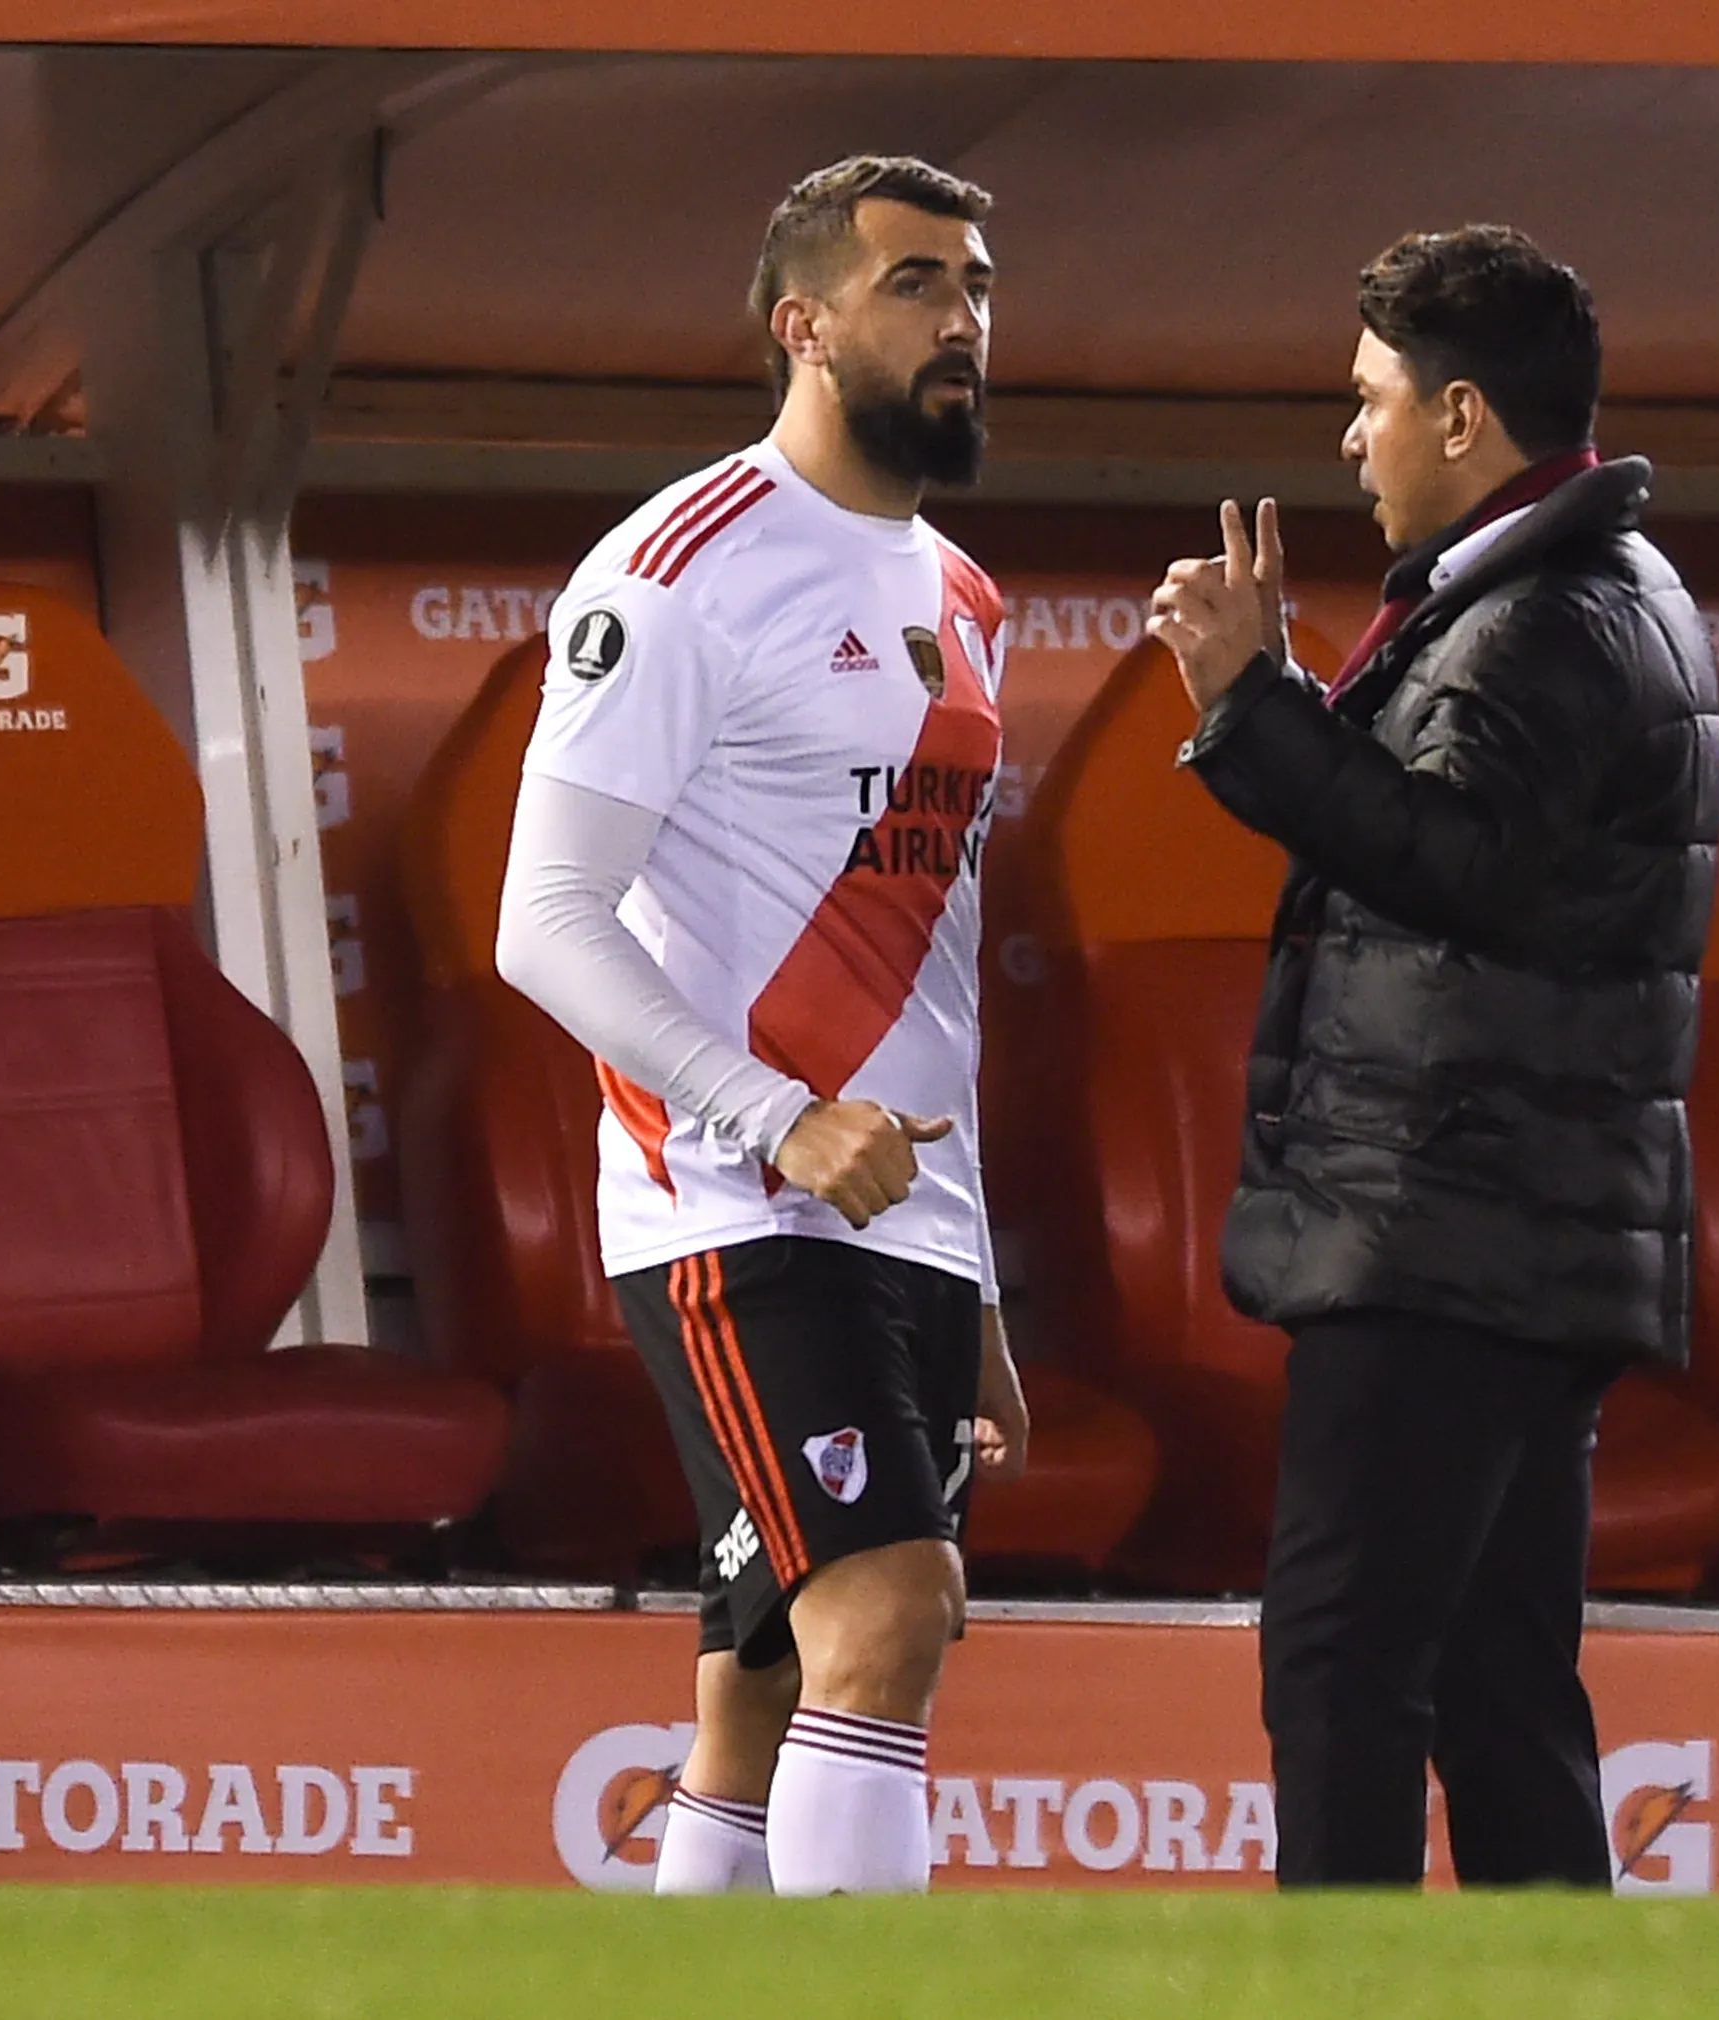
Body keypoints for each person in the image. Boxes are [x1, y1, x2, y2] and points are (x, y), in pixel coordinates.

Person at [1145, 225, 1719, 1888]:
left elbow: (1451, 862)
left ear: (1462, 417)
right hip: (1505, 1225)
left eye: (1371, 399)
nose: (1352, 437)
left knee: (1344, 1662)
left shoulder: (1552, 613)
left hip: (1448, 1226)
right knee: (1490, 1682)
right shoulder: (1580, 590)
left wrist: (1251, 699)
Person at [496, 154, 1029, 1898]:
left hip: (906, 1217)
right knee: (890, 1615)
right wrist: (772, 1115)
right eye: (914, 287)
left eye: (972, 287)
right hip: (740, 1203)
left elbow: (930, 960)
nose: (961, 322)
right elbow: (543, 923)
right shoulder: (674, 570)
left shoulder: (964, 598)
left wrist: (983, 1280)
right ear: (800, 324)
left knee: (763, 1682)